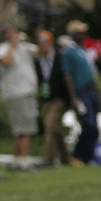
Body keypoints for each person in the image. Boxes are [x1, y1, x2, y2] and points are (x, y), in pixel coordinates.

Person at [62, 19, 101, 166]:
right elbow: (68, 76)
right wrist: (74, 97)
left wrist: (99, 95)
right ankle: (78, 156)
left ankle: (86, 158)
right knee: (89, 125)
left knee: (95, 127)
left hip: (90, 90)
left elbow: (91, 75)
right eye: (81, 33)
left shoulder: (83, 50)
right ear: (74, 34)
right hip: (80, 91)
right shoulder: (69, 51)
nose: (84, 35)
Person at [0, 25, 39, 170]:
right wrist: (13, 44)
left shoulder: (25, 47)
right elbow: (5, 61)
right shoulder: (3, 48)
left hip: (27, 92)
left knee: (22, 128)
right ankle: (23, 161)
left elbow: (42, 53)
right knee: (22, 128)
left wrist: (40, 36)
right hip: (17, 92)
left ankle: (17, 160)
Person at [34, 29, 71, 167]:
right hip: (46, 99)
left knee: (50, 125)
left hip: (59, 98)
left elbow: (67, 77)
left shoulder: (59, 57)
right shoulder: (38, 60)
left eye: (45, 42)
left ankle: (48, 158)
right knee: (56, 129)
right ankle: (65, 158)